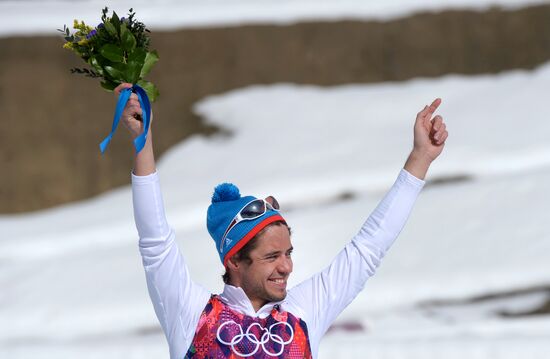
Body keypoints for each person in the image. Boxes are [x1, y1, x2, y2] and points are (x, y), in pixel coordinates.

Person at [116, 83, 448, 359]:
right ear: (234, 260)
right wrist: (142, 143)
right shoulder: (191, 315)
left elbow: (368, 249)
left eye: (288, 253)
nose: (286, 267)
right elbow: (155, 242)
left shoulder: (303, 313)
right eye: (272, 257)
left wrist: (420, 159)